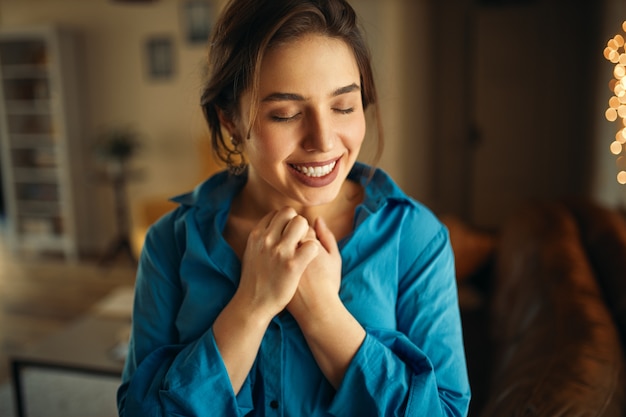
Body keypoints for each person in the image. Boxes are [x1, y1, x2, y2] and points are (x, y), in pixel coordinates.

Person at [117, 0, 471, 415]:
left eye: (343, 106)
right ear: (230, 120)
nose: (323, 140)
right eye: (285, 114)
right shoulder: (170, 243)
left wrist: (322, 314)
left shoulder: (416, 239)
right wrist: (251, 305)